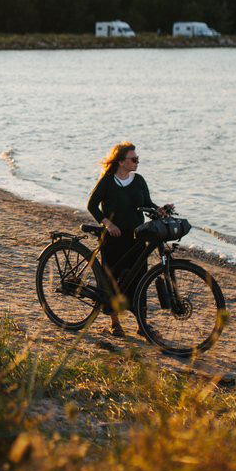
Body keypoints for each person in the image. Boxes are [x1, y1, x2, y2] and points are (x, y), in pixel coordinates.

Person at [86, 141, 158, 337]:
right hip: (113, 237)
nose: (137, 162)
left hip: (136, 237)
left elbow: (147, 204)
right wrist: (108, 224)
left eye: (137, 159)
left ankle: (142, 325)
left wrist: (159, 210)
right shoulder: (108, 181)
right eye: (133, 159)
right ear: (120, 161)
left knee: (139, 279)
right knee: (112, 279)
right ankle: (114, 323)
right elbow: (92, 205)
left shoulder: (139, 180)